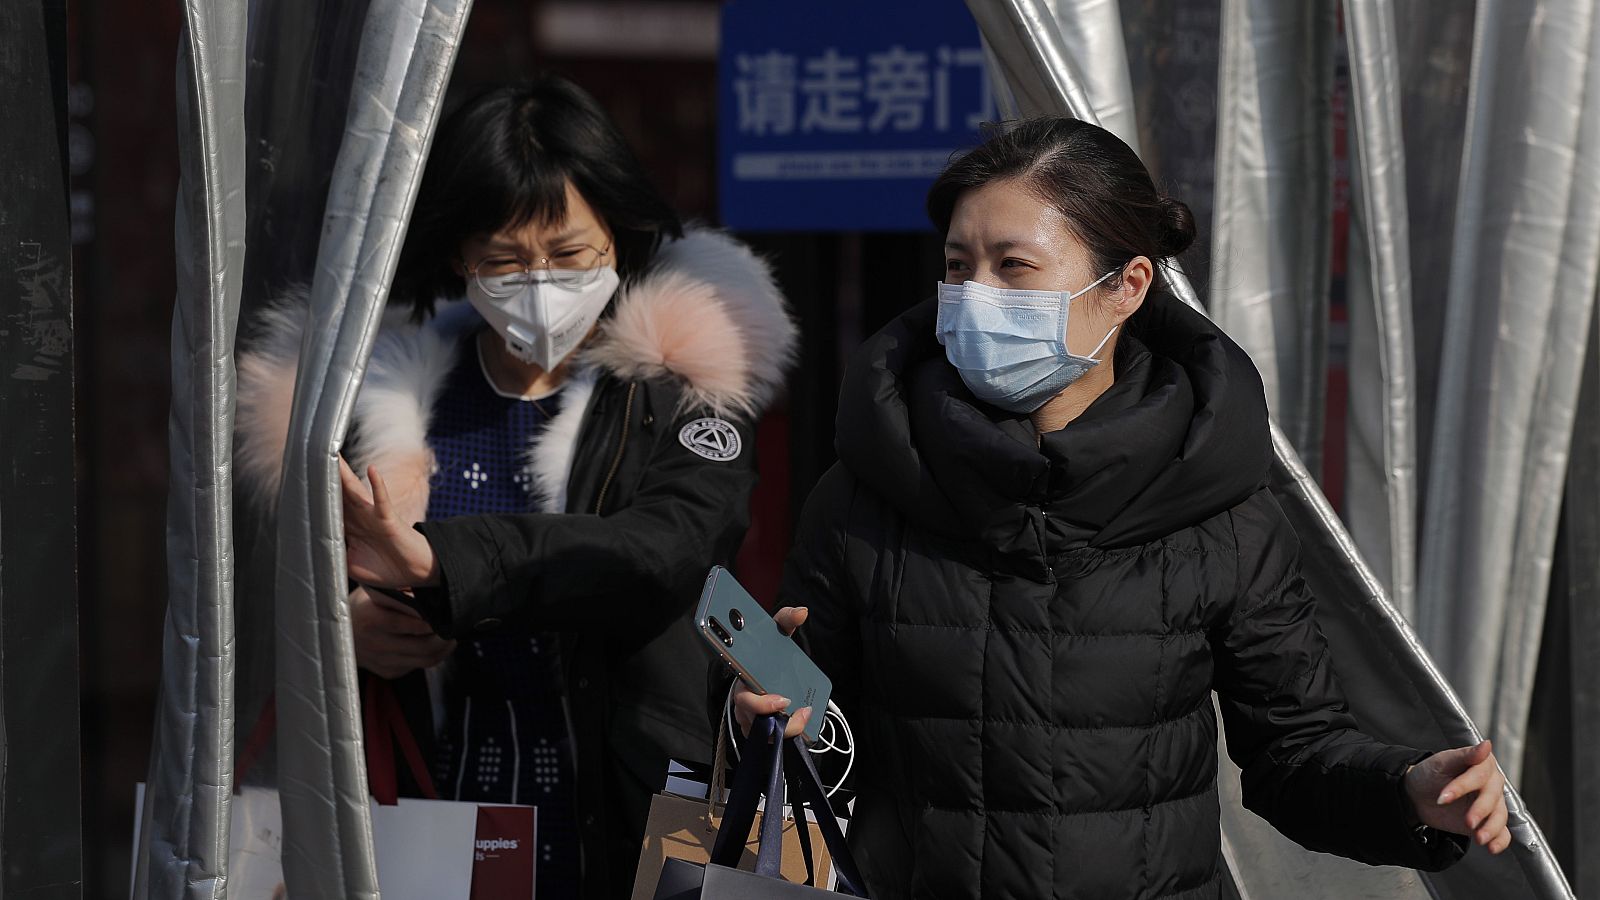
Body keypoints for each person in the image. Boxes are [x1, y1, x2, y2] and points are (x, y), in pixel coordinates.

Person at [730, 117, 1508, 899]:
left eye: (1014, 267)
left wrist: (1406, 791)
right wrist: (753, 715)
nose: (974, 298)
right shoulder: (869, 488)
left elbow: (1294, 752)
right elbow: (814, 742)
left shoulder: (1213, 500)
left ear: (1126, 288)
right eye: (959, 267)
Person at [234, 76, 796, 899]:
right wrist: (345, 625)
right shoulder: (377, 406)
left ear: (621, 237)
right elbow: (258, 591)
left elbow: (660, 554)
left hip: (647, 806)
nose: (539, 284)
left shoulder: (683, 392)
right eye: (503, 259)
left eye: (570, 255)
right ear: (458, 256)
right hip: (432, 809)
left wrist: (438, 568)